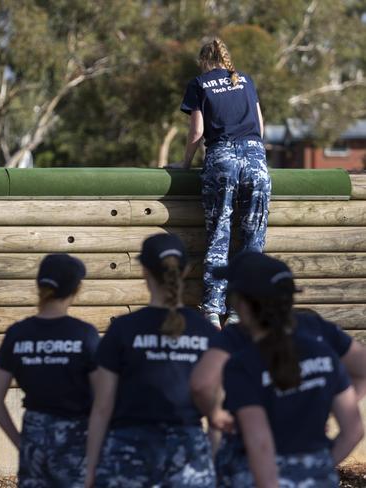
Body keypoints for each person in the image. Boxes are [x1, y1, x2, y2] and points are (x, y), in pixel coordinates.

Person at [190, 255, 366, 487]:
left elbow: (260, 445)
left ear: (242, 304)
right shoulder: (324, 352)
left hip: (252, 474)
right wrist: (316, 467)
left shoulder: (243, 363)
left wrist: (215, 416)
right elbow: (353, 430)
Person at [85, 233, 219, 487]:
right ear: (187, 269)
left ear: (144, 271)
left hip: (127, 451)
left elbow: (102, 407)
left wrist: (91, 469)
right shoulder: (207, 333)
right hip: (188, 450)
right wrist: (210, 465)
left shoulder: (122, 329)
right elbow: (217, 414)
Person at [179, 37, 270, 328]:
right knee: (252, 237)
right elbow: (260, 125)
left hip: (222, 158)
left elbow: (197, 131)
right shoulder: (245, 80)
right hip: (256, 159)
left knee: (220, 234)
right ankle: (239, 311)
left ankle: (212, 310)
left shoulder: (200, 83)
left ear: (204, 61)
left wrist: (184, 164)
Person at [0, 254, 100, 488]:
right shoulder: (84, 334)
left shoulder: (17, 334)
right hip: (77, 441)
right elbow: (103, 400)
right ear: (75, 289)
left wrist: (22, 444)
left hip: (34, 437)